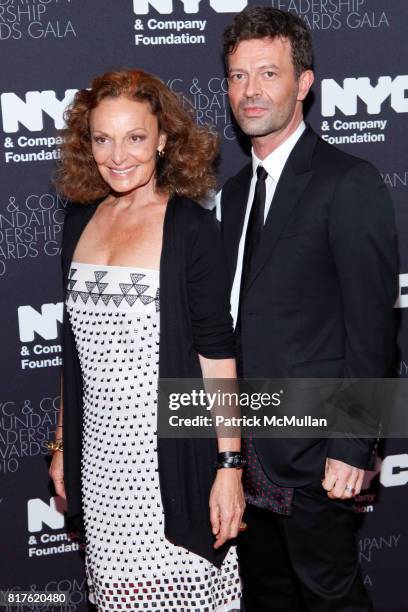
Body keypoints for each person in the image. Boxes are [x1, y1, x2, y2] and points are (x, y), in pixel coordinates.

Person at [219, 6, 398, 611]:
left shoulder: (348, 181)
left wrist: (353, 445)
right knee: (268, 598)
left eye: (268, 74)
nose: (250, 91)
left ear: (303, 84)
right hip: (246, 454)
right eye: (238, 76)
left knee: (332, 599)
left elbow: (374, 328)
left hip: (318, 456)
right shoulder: (235, 192)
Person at [48, 68, 244, 612]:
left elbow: (216, 354)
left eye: (135, 137)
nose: (118, 156)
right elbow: (75, 356)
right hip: (102, 469)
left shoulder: (191, 228)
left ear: (162, 139)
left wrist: (229, 466)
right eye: (102, 138)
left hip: (172, 462)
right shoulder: (79, 221)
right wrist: (64, 446)